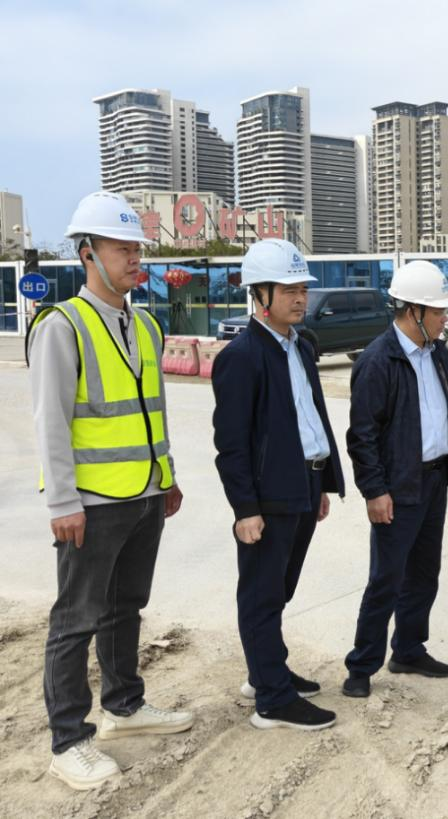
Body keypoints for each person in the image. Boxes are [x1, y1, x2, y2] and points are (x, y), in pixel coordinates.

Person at [27, 191, 193, 791]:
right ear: (87, 253)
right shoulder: (62, 325)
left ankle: (124, 705)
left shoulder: (144, 324)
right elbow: (50, 422)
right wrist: (61, 501)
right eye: (122, 248)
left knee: (127, 608)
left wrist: (165, 477)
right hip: (91, 503)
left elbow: (153, 410)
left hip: (144, 494)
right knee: (76, 620)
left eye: (136, 248)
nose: (134, 258)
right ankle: (69, 741)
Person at [211, 239, 345, 731]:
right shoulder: (241, 356)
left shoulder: (301, 346)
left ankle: (265, 670)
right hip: (268, 495)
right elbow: (231, 444)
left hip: (304, 484)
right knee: (262, 594)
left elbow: (311, 418)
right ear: (260, 294)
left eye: (302, 288)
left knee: (280, 589)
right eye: (289, 290)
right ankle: (272, 699)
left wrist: (322, 482)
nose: (300, 298)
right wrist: (245, 509)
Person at [342, 261, 448, 696]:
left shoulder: (438, 353)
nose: (445, 319)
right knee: (386, 580)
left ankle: (409, 649)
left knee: (425, 574)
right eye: (438, 311)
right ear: (413, 311)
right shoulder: (378, 361)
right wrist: (374, 491)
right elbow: (362, 435)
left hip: (433, 480)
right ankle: (361, 667)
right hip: (397, 487)